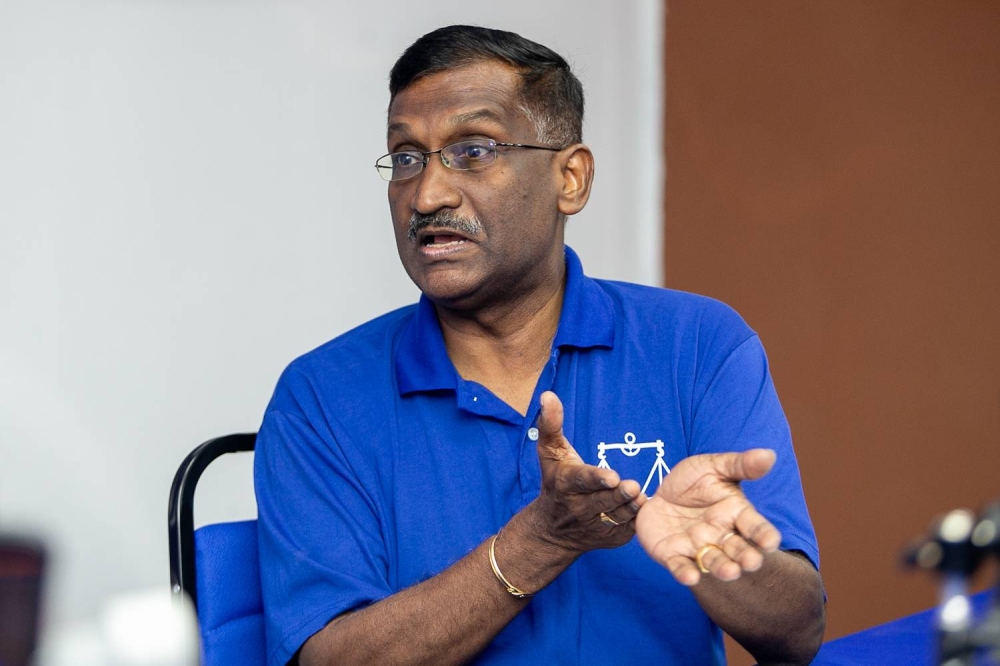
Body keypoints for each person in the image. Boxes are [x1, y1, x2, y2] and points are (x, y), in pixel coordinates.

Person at [254, 24, 825, 666]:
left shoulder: (698, 346)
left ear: (571, 179)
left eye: (473, 150)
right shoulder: (320, 398)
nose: (427, 193)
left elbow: (798, 631)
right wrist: (540, 541)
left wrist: (716, 555)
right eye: (407, 157)